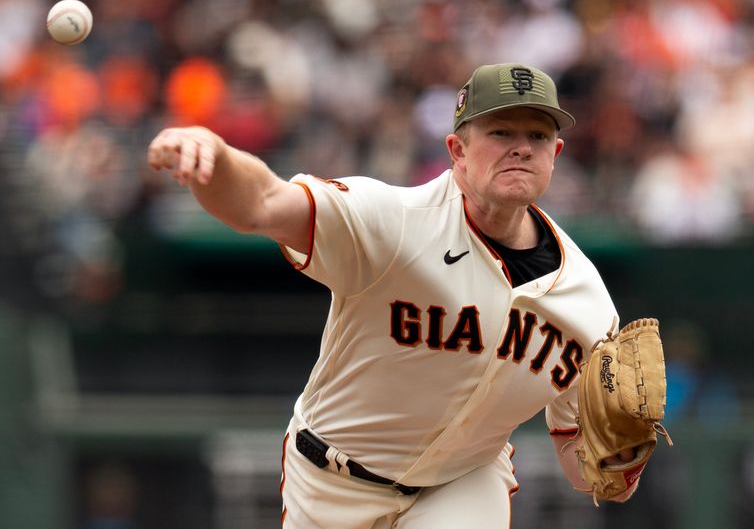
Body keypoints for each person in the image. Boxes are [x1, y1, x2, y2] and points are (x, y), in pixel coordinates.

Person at [147, 63, 638, 528]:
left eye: (537, 135)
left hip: (462, 480)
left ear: (556, 155)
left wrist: (618, 461)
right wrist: (215, 153)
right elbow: (263, 203)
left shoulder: (588, 304)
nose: (522, 148)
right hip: (332, 477)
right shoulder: (393, 222)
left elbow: (583, 465)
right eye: (501, 133)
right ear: (457, 150)